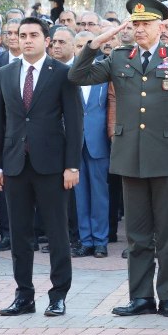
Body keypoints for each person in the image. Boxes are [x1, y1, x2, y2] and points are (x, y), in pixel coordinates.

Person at [69, 0, 168, 317]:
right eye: (136, 24)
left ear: (161, 27)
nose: (140, 29)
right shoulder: (117, 58)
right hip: (131, 156)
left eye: (146, 24)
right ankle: (141, 296)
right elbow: (77, 76)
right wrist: (95, 43)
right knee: (138, 233)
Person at [0, 17, 83, 316]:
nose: (26, 40)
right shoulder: (5, 73)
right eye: (21, 35)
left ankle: (58, 295)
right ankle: (24, 295)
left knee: (57, 233)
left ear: (47, 40)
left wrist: (72, 166)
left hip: (52, 166)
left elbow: (75, 122)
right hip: (15, 165)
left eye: (33, 35)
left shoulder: (62, 74)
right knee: (19, 234)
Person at [72, 67, 110, 258]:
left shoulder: (104, 76)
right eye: (78, 46)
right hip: (75, 144)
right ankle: (86, 240)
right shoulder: (71, 77)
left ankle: (101, 241)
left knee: (99, 194)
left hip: (99, 142)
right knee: (80, 196)